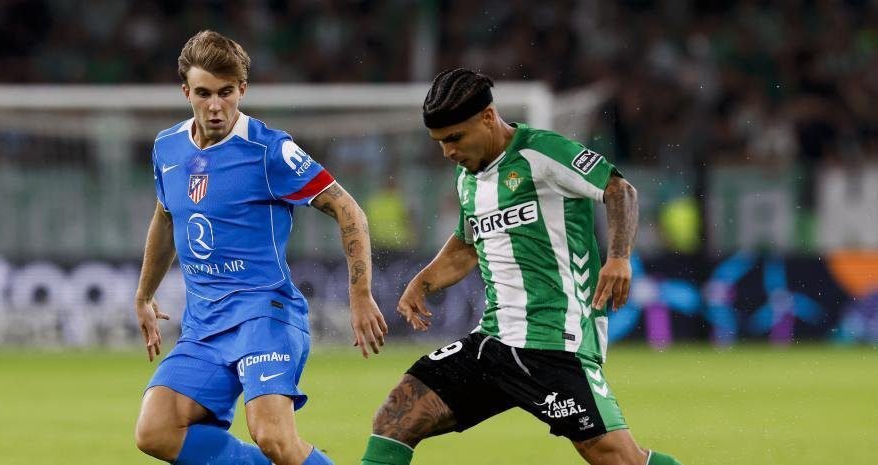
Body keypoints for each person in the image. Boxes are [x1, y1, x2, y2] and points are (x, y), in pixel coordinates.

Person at [361, 68, 683, 465]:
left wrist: (618, 257)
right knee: (395, 417)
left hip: (554, 345)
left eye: (455, 138)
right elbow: (467, 244)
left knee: (621, 460)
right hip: (492, 343)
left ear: (487, 117)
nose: (448, 152)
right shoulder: (468, 179)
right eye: (440, 143)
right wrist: (424, 281)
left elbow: (620, 190)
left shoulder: (542, 153)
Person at [133, 31, 388, 465]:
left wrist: (360, 293)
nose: (215, 106)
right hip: (204, 326)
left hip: (264, 314)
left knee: (274, 437)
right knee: (155, 432)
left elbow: (348, 211)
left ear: (242, 90)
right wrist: (143, 295)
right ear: (185, 92)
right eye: (203, 93)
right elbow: (165, 217)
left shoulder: (270, 150)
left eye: (226, 93)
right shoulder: (167, 147)